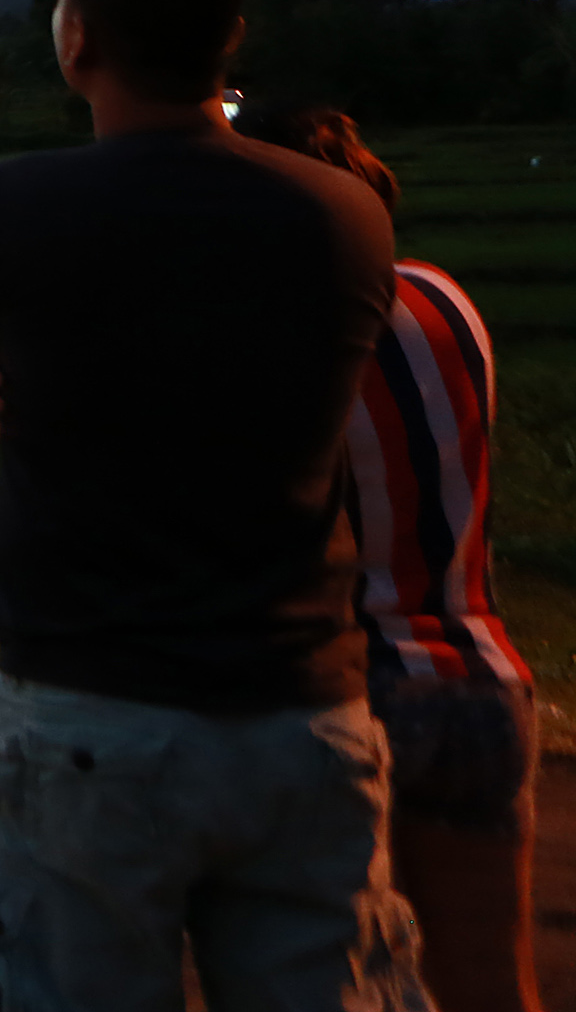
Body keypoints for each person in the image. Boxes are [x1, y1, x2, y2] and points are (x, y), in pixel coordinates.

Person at [0, 0, 424, 1011]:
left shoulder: (9, 204)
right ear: (231, 36)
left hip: (90, 710)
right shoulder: (347, 215)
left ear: (75, 39)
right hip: (303, 719)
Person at [276, 109, 543, 1012]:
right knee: (493, 985)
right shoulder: (446, 296)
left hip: (354, 690)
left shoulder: (288, 321)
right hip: (481, 678)